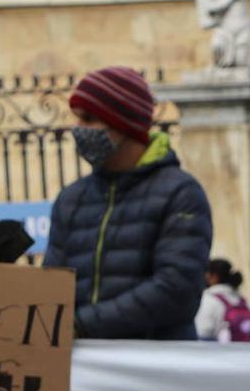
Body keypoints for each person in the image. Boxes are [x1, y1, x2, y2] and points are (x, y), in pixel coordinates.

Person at [43, 66, 212, 339]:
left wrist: (82, 325)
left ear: (122, 124)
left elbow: (176, 290)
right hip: (84, 372)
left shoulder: (180, 193)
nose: (78, 130)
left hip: (154, 371)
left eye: (89, 119)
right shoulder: (71, 200)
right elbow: (52, 289)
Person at [195, 258, 250, 342]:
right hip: (247, 353)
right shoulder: (240, 300)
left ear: (214, 277)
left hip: (220, 354)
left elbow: (202, 335)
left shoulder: (208, 299)